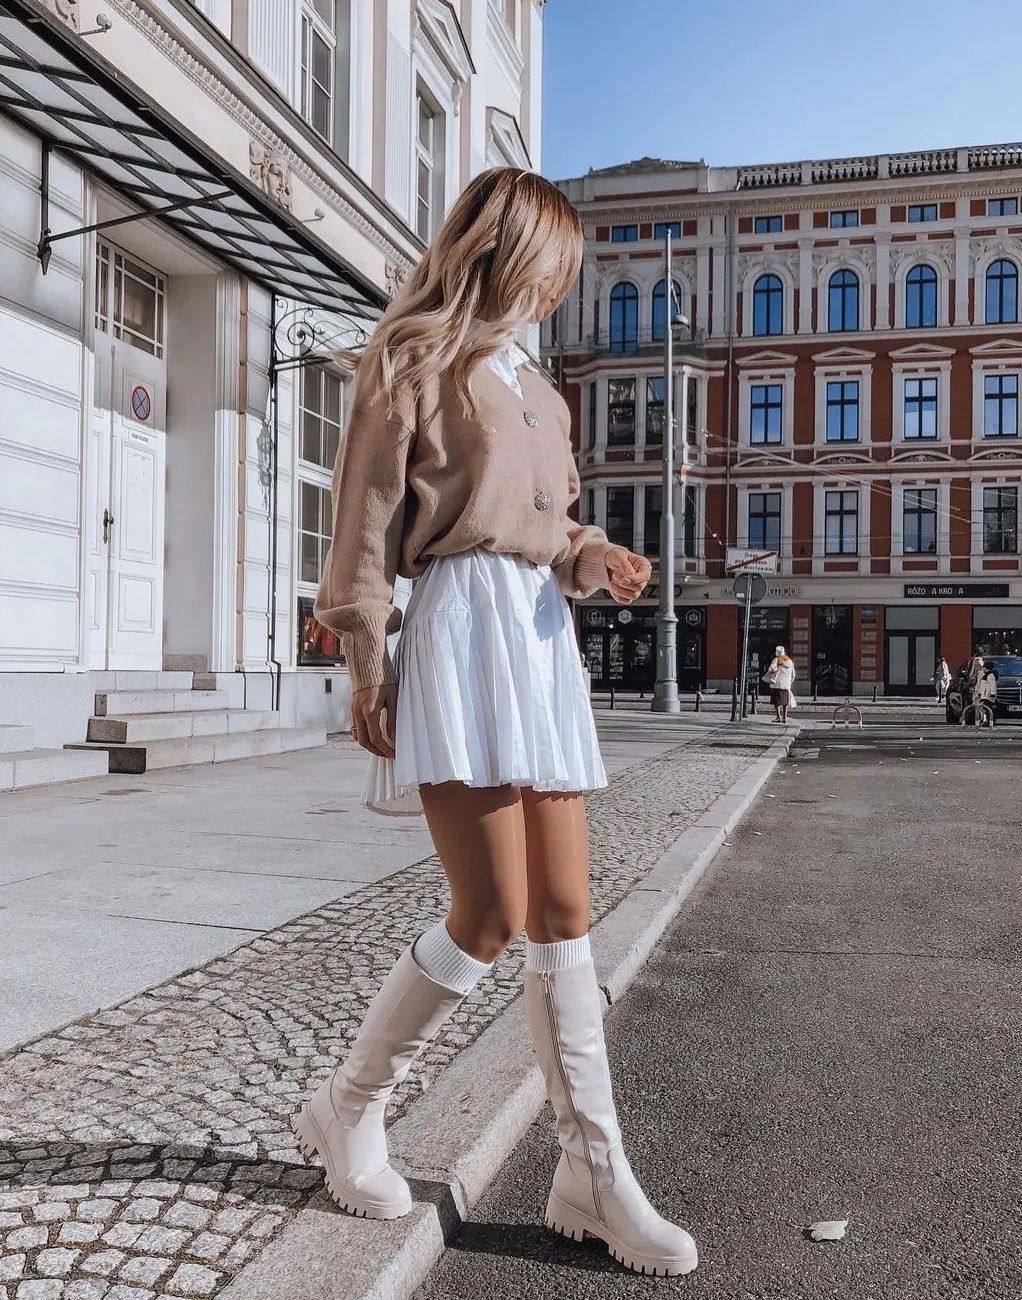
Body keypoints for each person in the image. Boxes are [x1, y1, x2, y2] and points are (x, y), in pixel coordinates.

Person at [296, 168, 697, 1278]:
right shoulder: (413, 357)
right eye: (552, 268)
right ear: (508, 251)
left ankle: (594, 1171)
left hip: (532, 636)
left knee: (565, 910)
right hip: (460, 631)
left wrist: (592, 556)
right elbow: (368, 520)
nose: (559, 292)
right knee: (489, 908)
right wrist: (365, 654)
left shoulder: (542, 389)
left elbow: (550, 525)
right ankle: (346, 1104)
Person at [763, 645, 796, 724]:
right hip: (786, 685)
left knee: (777, 702)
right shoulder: (789, 661)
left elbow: (771, 669)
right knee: (785, 702)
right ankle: (785, 717)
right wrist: (789, 683)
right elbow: (793, 674)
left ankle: (778, 717)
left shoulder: (777, 660)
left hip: (777, 684)